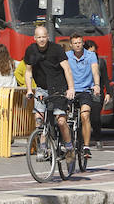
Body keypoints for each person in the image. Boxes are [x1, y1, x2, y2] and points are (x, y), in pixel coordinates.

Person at [23, 25, 76, 159]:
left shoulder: (56, 49)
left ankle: (69, 145)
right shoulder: (31, 50)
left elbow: (67, 69)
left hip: (58, 87)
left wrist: (70, 89)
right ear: (34, 38)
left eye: (43, 37)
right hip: (42, 87)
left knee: (61, 121)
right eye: (39, 37)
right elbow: (28, 71)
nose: (41, 40)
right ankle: (43, 147)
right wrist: (29, 89)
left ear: (48, 37)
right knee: (39, 119)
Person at [66, 34, 100, 158]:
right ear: (71, 45)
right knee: (64, 117)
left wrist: (96, 85)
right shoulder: (67, 56)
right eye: (75, 43)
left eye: (80, 42)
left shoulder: (90, 56)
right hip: (71, 90)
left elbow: (95, 70)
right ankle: (66, 143)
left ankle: (86, 146)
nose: (78, 45)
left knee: (85, 115)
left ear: (83, 43)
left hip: (85, 90)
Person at [84, 40, 111, 148]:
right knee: (83, 116)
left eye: (94, 51)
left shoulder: (100, 62)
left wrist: (108, 93)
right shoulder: (81, 61)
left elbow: (105, 78)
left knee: (95, 118)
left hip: (96, 93)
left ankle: (98, 139)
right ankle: (82, 140)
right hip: (84, 91)